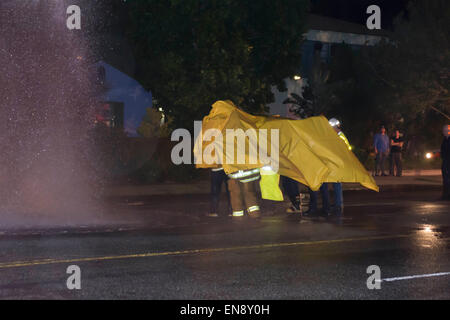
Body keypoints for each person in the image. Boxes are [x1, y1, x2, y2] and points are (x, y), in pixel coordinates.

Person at [305, 118, 348, 217]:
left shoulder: (340, 136)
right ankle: (331, 206)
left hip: (337, 165)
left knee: (336, 185)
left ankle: (337, 205)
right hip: (331, 164)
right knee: (329, 185)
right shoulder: (333, 136)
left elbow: (343, 150)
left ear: (336, 127)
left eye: (331, 127)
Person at [441, 124, 450, 200]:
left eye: (444, 130)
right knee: (445, 179)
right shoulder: (445, 139)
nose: (443, 132)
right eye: (443, 130)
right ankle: (445, 195)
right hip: (445, 161)